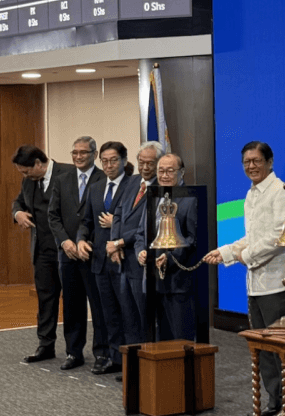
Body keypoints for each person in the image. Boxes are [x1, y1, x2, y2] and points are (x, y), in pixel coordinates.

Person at [202, 141, 285, 416]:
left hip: (277, 284)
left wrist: (244, 256)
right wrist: (225, 253)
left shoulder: (281, 192)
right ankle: (274, 403)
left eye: (256, 161)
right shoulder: (252, 194)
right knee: (263, 348)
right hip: (256, 285)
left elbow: (278, 237)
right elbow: (253, 238)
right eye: (246, 162)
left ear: (270, 162)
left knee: (282, 350)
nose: (251, 166)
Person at [47, 136, 106, 371]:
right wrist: (65, 243)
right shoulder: (62, 180)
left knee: (99, 306)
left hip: (94, 254)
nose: (79, 156)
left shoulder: (104, 178)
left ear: (94, 153)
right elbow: (53, 216)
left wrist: (85, 243)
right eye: (75, 153)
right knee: (72, 305)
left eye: (83, 152)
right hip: (68, 254)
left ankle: (102, 353)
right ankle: (73, 352)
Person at [12, 145, 73, 364]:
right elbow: (18, 201)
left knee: (72, 301)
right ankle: (45, 345)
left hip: (68, 250)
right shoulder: (28, 181)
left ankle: (73, 351)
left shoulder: (68, 173)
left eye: (26, 171)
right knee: (46, 301)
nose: (24, 176)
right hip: (42, 251)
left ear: (39, 163)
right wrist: (17, 212)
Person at [76, 141, 133, 375]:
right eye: (105, 161)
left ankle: (132, 359)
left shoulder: (134, 185)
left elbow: (141, 220)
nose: (109, 165)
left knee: (128, 313)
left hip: (126, 259)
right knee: (107, 313)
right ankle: (113, 357)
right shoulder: (96, 188)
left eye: (114, 160)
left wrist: (116, 223)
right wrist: (80, 239)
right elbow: (86, 221)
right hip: (99, 260)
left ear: (124, 160)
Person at [136, 153, 198, 341]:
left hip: (177, 282)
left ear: (181, 173)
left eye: (170, 171)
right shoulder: (153, 197)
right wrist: (140, 251)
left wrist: (170, 257)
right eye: (161, 171)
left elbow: (192, 239)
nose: (164, 175)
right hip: (152, 281)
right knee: (157, 339)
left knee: (181, 338)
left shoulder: (190, 200)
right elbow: (140, 233)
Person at [109, 141, 164, 344]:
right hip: (123, 260)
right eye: (141, 162)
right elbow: (118, 212)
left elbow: (147, 226)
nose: (145, 168)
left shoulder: (162, 188)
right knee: (128, 316)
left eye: (150, 163)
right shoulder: (133, 181)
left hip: (141, 260)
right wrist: (114, 242)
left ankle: (149, 365)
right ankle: (134, 366)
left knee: (146, 317)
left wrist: (121, 242)